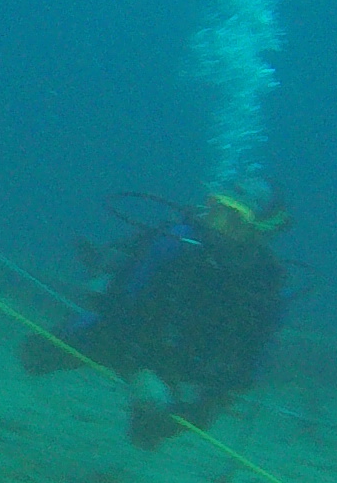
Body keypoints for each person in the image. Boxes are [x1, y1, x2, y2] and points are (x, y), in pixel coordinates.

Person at [24, 188, 288, 449]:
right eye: (215, 211)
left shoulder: (264, 284)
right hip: (127, 336)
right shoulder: (176, 243)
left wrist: (205, 406)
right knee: (35, 354)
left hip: (178, 360)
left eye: (233, 219)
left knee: (151, 431)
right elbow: (120, 308)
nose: (216, 226)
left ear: (259, 231)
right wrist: (138, 368)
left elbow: (248, 365)